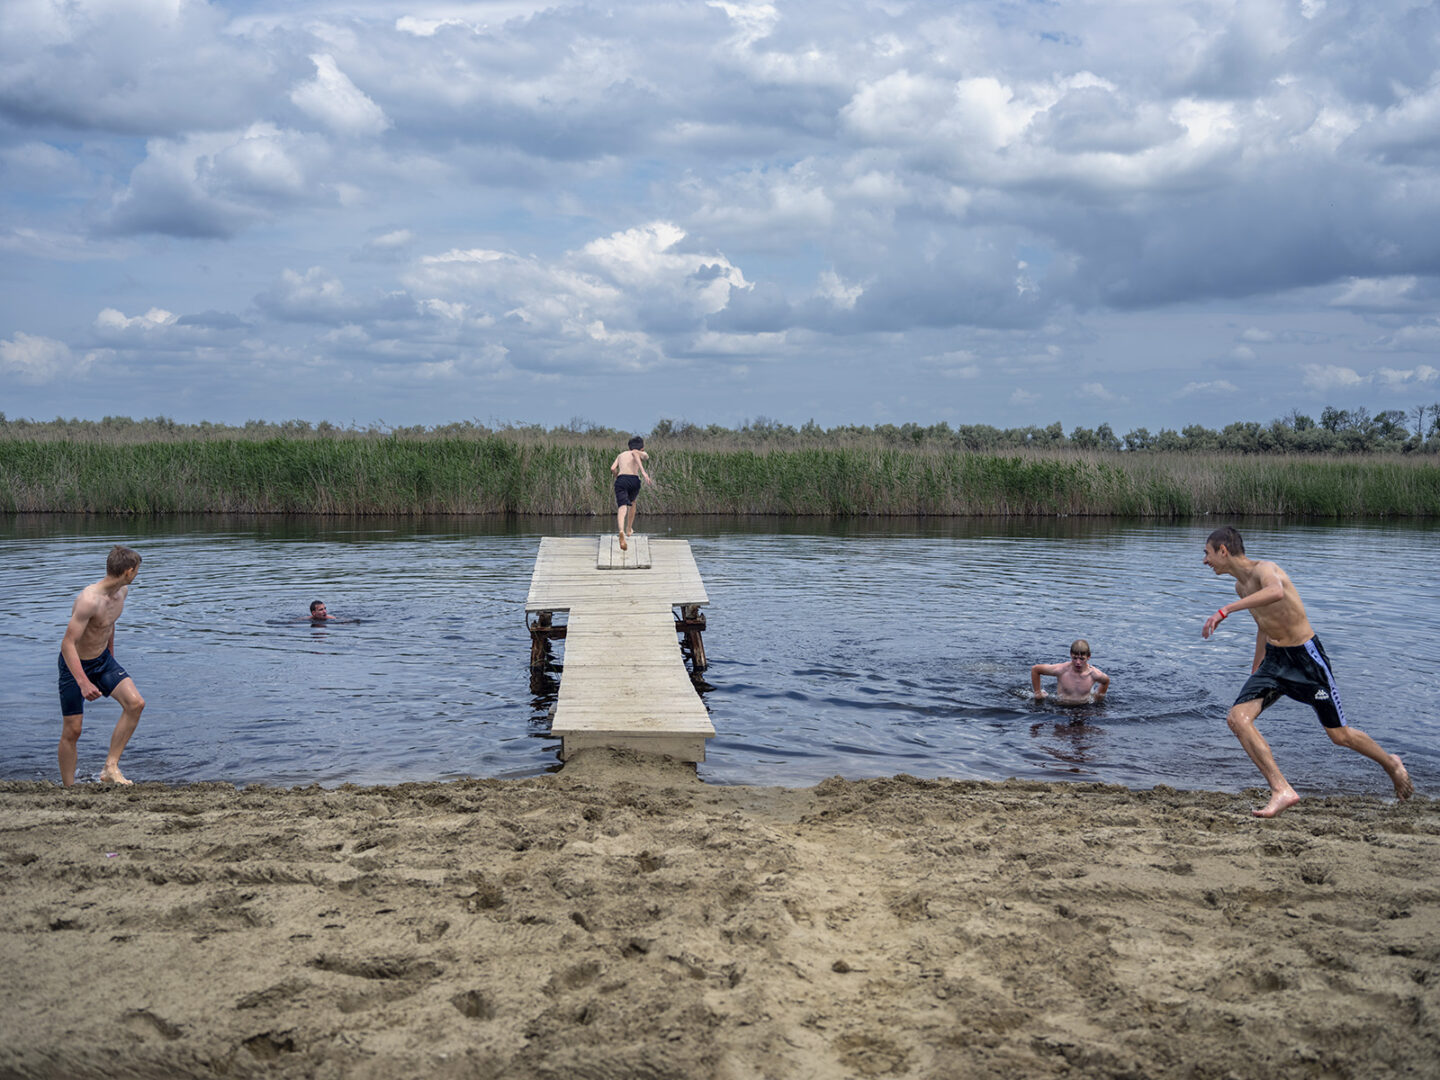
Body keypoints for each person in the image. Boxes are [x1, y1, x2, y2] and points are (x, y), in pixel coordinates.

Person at [1200, 525, 1412, 817]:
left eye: (1207, 553)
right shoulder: (1241, 586)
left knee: (1340, 735)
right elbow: (1263, 625)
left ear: (1223, 550)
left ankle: (1391, 763)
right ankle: (1282, 789)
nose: (1205, 561)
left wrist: (1226, 610)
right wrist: (1255, 670)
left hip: (1306, 659)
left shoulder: (1266, 570)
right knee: (1237, 718)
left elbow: (1275, 592)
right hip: (1274, 661)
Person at [58, 545, 145, 787]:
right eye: (137, 570)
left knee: (135, 704)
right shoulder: (89, 600)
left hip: (102, 660)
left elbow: (109, 624)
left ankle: (110, 767)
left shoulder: (122, 593)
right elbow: (67, 644)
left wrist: (111, 655)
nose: (137, 574)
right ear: (128, 572)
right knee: (73, 730)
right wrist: (83, 682)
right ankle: (68, 789)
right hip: (74, 664)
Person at [1031, 639, 1110, 704]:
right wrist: (1038, 693)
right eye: (1075, 658)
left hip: (1084, 709)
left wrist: (1098, 697)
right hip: (1061, 707)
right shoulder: (1061, 670)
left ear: (1088, 656)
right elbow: (1035, 669)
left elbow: (1106, 681)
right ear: (1071, 654)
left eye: (1082, 659)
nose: (1078, 662)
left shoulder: (1094, 674)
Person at [609, 435, 652, 551]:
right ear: (642, 448)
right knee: (632, 503)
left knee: (622, 507)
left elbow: (613, 468)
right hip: (634, 480)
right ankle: (629, 528)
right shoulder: (640, 453)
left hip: (621, 480)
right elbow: (636, 454)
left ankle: (621, 530)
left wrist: (617, 476)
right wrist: (643, 472)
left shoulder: (621, 455)